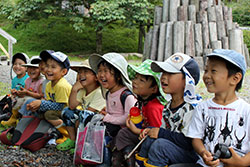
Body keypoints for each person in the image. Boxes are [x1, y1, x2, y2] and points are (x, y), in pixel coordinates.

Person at [187, 49, 250, 167]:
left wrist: (242, 162)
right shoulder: (202, 108)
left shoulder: (246, 111)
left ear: (235, 78)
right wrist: (203, 152)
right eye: (206, 70)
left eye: (213, 71)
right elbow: (196, 138)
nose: (206, 76)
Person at [137, 53, 201, 167]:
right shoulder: (168, 106)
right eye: (163, 72)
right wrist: (151, 130)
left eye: (170, 73)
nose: (163, 77)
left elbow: (188, 142)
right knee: (149, 138)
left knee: (159, 146)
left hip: (189, 154)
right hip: (172, 147)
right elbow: (164, 130)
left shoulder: (192, 108)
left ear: (187, 79)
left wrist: (160, 133)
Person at [113, 59, 167, 167]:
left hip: (151, 141)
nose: (135, 82)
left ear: (154, 89)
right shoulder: (143, 101)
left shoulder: (153, 107)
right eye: (136, 78)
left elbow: (157, 133)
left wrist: (136, 130)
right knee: (123, 133)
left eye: (141, 80)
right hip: (144, 134)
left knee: (124, 134)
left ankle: (131, 161)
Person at [89, 53, 137, 166]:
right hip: (114, 127)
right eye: (99, 71)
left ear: (119, 75)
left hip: (125, 131)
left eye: (106, 71)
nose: (101, 75)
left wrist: (108, 117)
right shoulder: (109, 93)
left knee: (100, 131)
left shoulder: (126, 96)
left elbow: (128, 118)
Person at [57, 60, 106, 151]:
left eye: (85, 72)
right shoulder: (83, 90)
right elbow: (72, 106)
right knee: (67, 111)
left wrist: (77, 121)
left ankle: (82, 145)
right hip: (84, 119)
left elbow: (89, 114)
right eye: (79, 72)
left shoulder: (99, 93)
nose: (81, 74)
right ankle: (73, 140)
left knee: (83, 115)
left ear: (96, 77)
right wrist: (74, 90)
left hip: (97, 125)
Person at [25, 50, 72, 144]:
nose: (48, 70)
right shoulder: (49, 85)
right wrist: (37, 106)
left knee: (49, 114)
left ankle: (67, 135)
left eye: (53, 67)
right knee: (41, 113)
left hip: (68, 112)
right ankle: (50, 131)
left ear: (64, 71)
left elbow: (60, 106)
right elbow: (50, 101)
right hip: (59, 110)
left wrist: (41, 103)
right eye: (47, 66)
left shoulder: (61, 85)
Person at [1, 53, 29, 126]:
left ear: (26, 67)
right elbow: (13, 95)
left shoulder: (28, 79)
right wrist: (9, 102)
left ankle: (13, 117)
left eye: (20, 64)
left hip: (23, 102)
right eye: (15, 64)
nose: (17, 66)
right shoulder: (14, 80)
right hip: (14, 102)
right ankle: (9, 114)